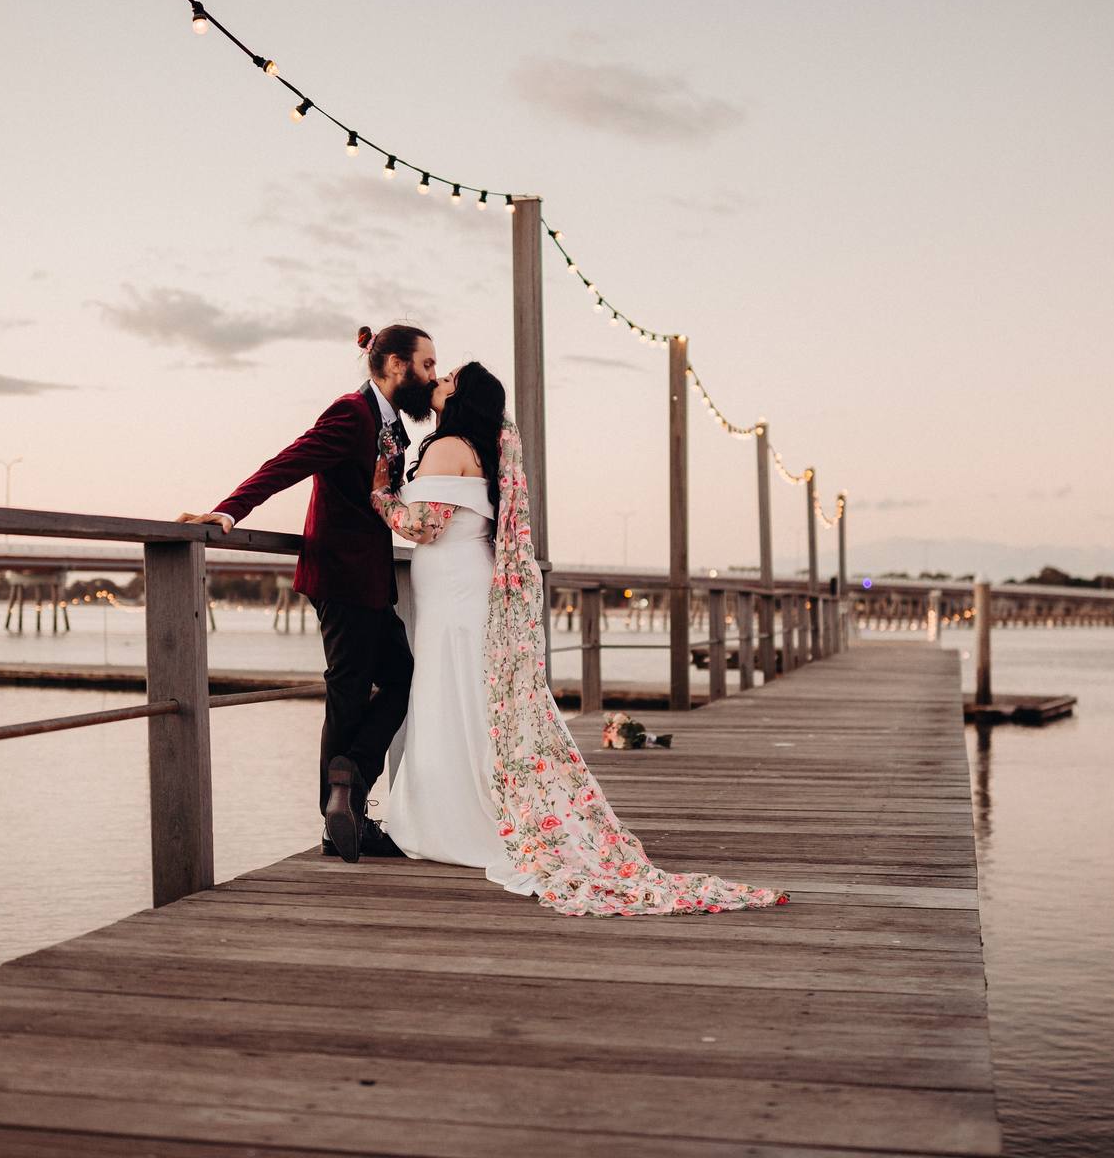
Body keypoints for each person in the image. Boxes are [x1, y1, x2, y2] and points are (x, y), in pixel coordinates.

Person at [366, 361, 789, 918]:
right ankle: (458, 813)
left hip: (456, 596)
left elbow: (425, 526)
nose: (438, 380)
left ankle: (456, 822)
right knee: (466, 700)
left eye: (449, 379)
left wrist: (380, 492)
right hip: (460, 589)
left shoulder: (450, 447)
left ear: (462, 398)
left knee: (455, 699)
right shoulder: (478, 448)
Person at [176, 323, 436, 863]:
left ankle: (348, 782)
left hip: (367, 580)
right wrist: (229, 510)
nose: (432, 374)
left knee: (399, 677)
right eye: (426, 365)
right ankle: (338, 816)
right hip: (341, 579)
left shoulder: (389, 422)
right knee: (347, 691)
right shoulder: (351, 412)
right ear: (393, 366)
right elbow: (288, 462)